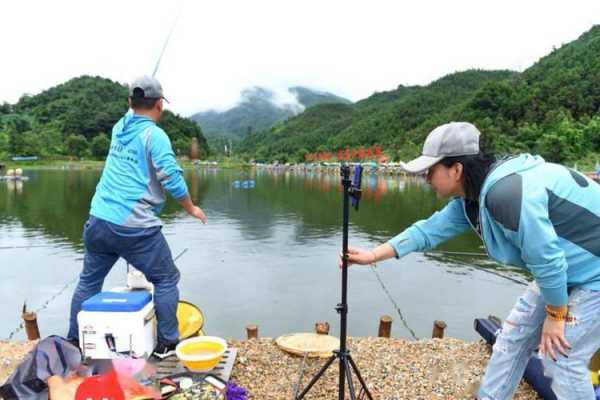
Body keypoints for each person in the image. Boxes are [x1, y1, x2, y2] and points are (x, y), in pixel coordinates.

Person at [345, 122, 600, 399]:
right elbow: (428, 231)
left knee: (561, 358)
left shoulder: (506, 195)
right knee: (511, 338)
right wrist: (372, 255)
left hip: (591, 274)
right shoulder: (473, 198)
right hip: (568, 270)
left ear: (456, 170)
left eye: (430, 171)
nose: (425, 178)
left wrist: (556, 315)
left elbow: (547, 260)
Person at [67, 76, 207, 359]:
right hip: (134, 227)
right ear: (159, 105)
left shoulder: (120, 128)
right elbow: (172, 178)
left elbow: (132, 111)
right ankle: (167, 343)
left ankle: (73, 341)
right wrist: (191, 207)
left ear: (130, 103)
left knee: (88, 283)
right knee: (166, 278)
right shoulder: (154, 135)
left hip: (98, 221)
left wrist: (134, 101)